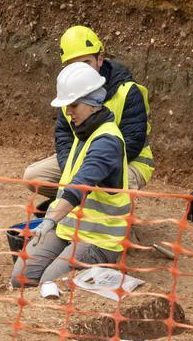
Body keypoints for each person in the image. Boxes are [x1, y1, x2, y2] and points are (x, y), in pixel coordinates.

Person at [12, 62, 132, 287]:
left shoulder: (107, 141)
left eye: (73, 105)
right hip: (67, 227)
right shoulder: (84, 130)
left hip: (98, 240)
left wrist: (48, 220)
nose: (68, 112)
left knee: (51, 284)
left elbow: (78, 187)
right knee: (21, 277)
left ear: (93, 103)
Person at [23, 25, 153, 211]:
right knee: (33, 176)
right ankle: (74, 205)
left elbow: (133, 141)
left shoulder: (127, 91)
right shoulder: (71, 89)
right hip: (83, 159)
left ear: (100, 59)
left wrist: (90, 169)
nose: (80, 70)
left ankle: (116, 216)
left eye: (86, 63)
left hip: (125, 163)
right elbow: (63, 136)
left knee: (99, 188)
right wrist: (73, 168)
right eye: (73, 65)